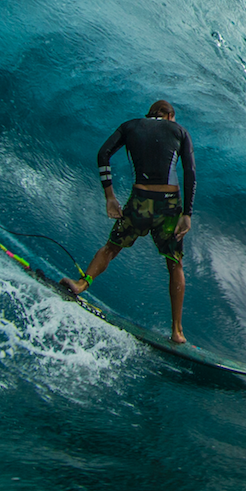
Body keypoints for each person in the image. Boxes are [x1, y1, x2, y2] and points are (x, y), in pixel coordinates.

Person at [61, 100, 197, 344]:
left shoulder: (130, 126)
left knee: (112, 247)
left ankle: (82, 284)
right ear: (168, 116)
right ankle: (177, 331)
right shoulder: (179, 131)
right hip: (168, 206)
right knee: (174, 263)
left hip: (140, 202)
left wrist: (110, 197)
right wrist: (187, 213)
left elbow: (103, 154)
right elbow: (190, 172)